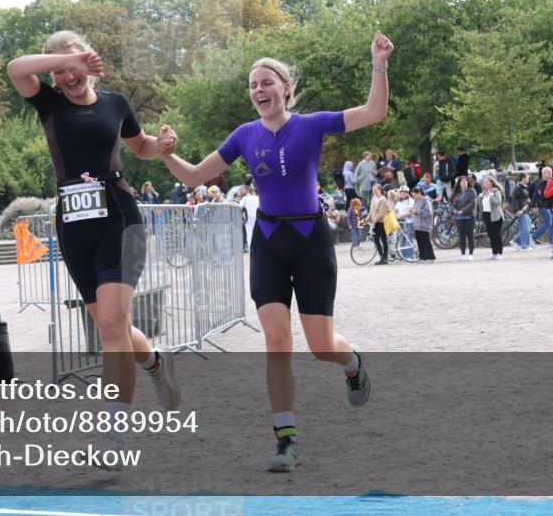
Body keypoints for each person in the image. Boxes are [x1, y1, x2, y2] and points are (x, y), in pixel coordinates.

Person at [157, 30, 393, 472]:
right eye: (252, 85)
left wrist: (378, 63)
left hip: (310, 240)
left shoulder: (313, 124)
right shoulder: (245, 135)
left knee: (321, 345)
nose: (259, 90)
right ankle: (286, 439)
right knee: (277, 340)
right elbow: (193, 178)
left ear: (285, 88)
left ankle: (353, 363)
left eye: (266, 82)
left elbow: (374, 111)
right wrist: (167, 153)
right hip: (267, 241)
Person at [7, 30, 181, 457]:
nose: (70, 77)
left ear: (90, 62)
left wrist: (161, 147)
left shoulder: (116, 102)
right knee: (113, 326)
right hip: (73, 225)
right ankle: (155, 361)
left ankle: (114, 435)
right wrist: (64, 61)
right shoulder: (48, 103)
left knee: (109, 327)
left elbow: (140, 146)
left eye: (77, 67)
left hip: (119, 218)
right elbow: (14, 69)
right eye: (61, 70)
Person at [452, 176, 478, 261]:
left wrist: (462, 211)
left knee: (470, 235)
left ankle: (471, 254)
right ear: (459, 183)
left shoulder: (472, 191)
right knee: (461, 236)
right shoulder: (456, 193)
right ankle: (462, 254)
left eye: (466, 181)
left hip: (469, 217)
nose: (464, 182)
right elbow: (451, 204)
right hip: (459, 218)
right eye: (462, 181)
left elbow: (472, 204)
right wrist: (454, 209)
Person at [481, 174, 504, 260]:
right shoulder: (483, 192)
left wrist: (491, 197)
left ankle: (500, 253)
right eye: (484, 182)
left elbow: (498, 203)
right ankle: (494, 253)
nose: (485, 183)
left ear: (491, 183)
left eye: (487, 182)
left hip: (495, 215)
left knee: (496, 235)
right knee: (490, 235)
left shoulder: (495, 191)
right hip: (487, 215)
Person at [530, 166, 553, 246]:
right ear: (544, 173)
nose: (551, 174)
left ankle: (552, 242)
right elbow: (535, 195)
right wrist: (534, 205)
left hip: (550, 205)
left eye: (551, 172)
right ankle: (533, 237)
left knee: (552, 223)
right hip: (543, 206)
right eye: (549, 172)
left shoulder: (551, 181)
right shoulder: (540, 183)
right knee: (548, 222)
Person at [410, 186, 435, 261]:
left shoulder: (426, 200)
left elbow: (429, 213)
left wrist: (417, 211)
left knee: (426, 241)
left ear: (419, 193)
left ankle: (430, 257)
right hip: (417, 224)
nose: (414, 197)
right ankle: (423, 257)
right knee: (420, 242)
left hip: (424, 225)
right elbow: (416, 210)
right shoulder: (417, 200)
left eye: (414, 195)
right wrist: (413, 211)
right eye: (413, 195)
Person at [510, 173, 533, 250]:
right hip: (521, 210)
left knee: (528, 227)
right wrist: (517, 210)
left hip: (525, 210)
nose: (528, 178)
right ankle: (524, 245)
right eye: (527, 177)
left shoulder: (525, 187)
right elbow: (514, 199)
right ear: (523, 178)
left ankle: (515, 241)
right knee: (525, 228)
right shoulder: (518, 187)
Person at [393, 185, 416, 260]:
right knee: (401, 239)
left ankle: (410, 256)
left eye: (404, 192)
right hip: (400, 222)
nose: (403, 194)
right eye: (401, 192)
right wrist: (396, 216)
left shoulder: (411, 201)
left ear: (407, 193)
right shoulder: (399, 202)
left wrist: (401, 216)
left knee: (408, 239)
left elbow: (411, 213)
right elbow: (395, 210)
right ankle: (403, 255)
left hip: (408, 222)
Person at [240, 186, 260, 251]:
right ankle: (257, 248)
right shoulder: (257, 198)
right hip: (257, 217)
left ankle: (251, 249)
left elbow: (240, 206)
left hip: (248, 218)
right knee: (256, 233)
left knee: (249, 233)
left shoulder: (245, 198)